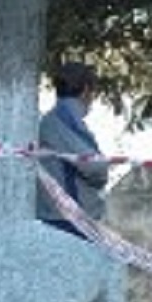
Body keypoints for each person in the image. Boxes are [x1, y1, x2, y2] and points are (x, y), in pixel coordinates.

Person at [36, 61, 110, 236]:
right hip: (69, 218)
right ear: (85, 90)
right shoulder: (64, 118)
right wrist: (102, 173)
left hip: (63, 215)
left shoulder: (58, 117)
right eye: (93, 93)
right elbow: (94, 166)